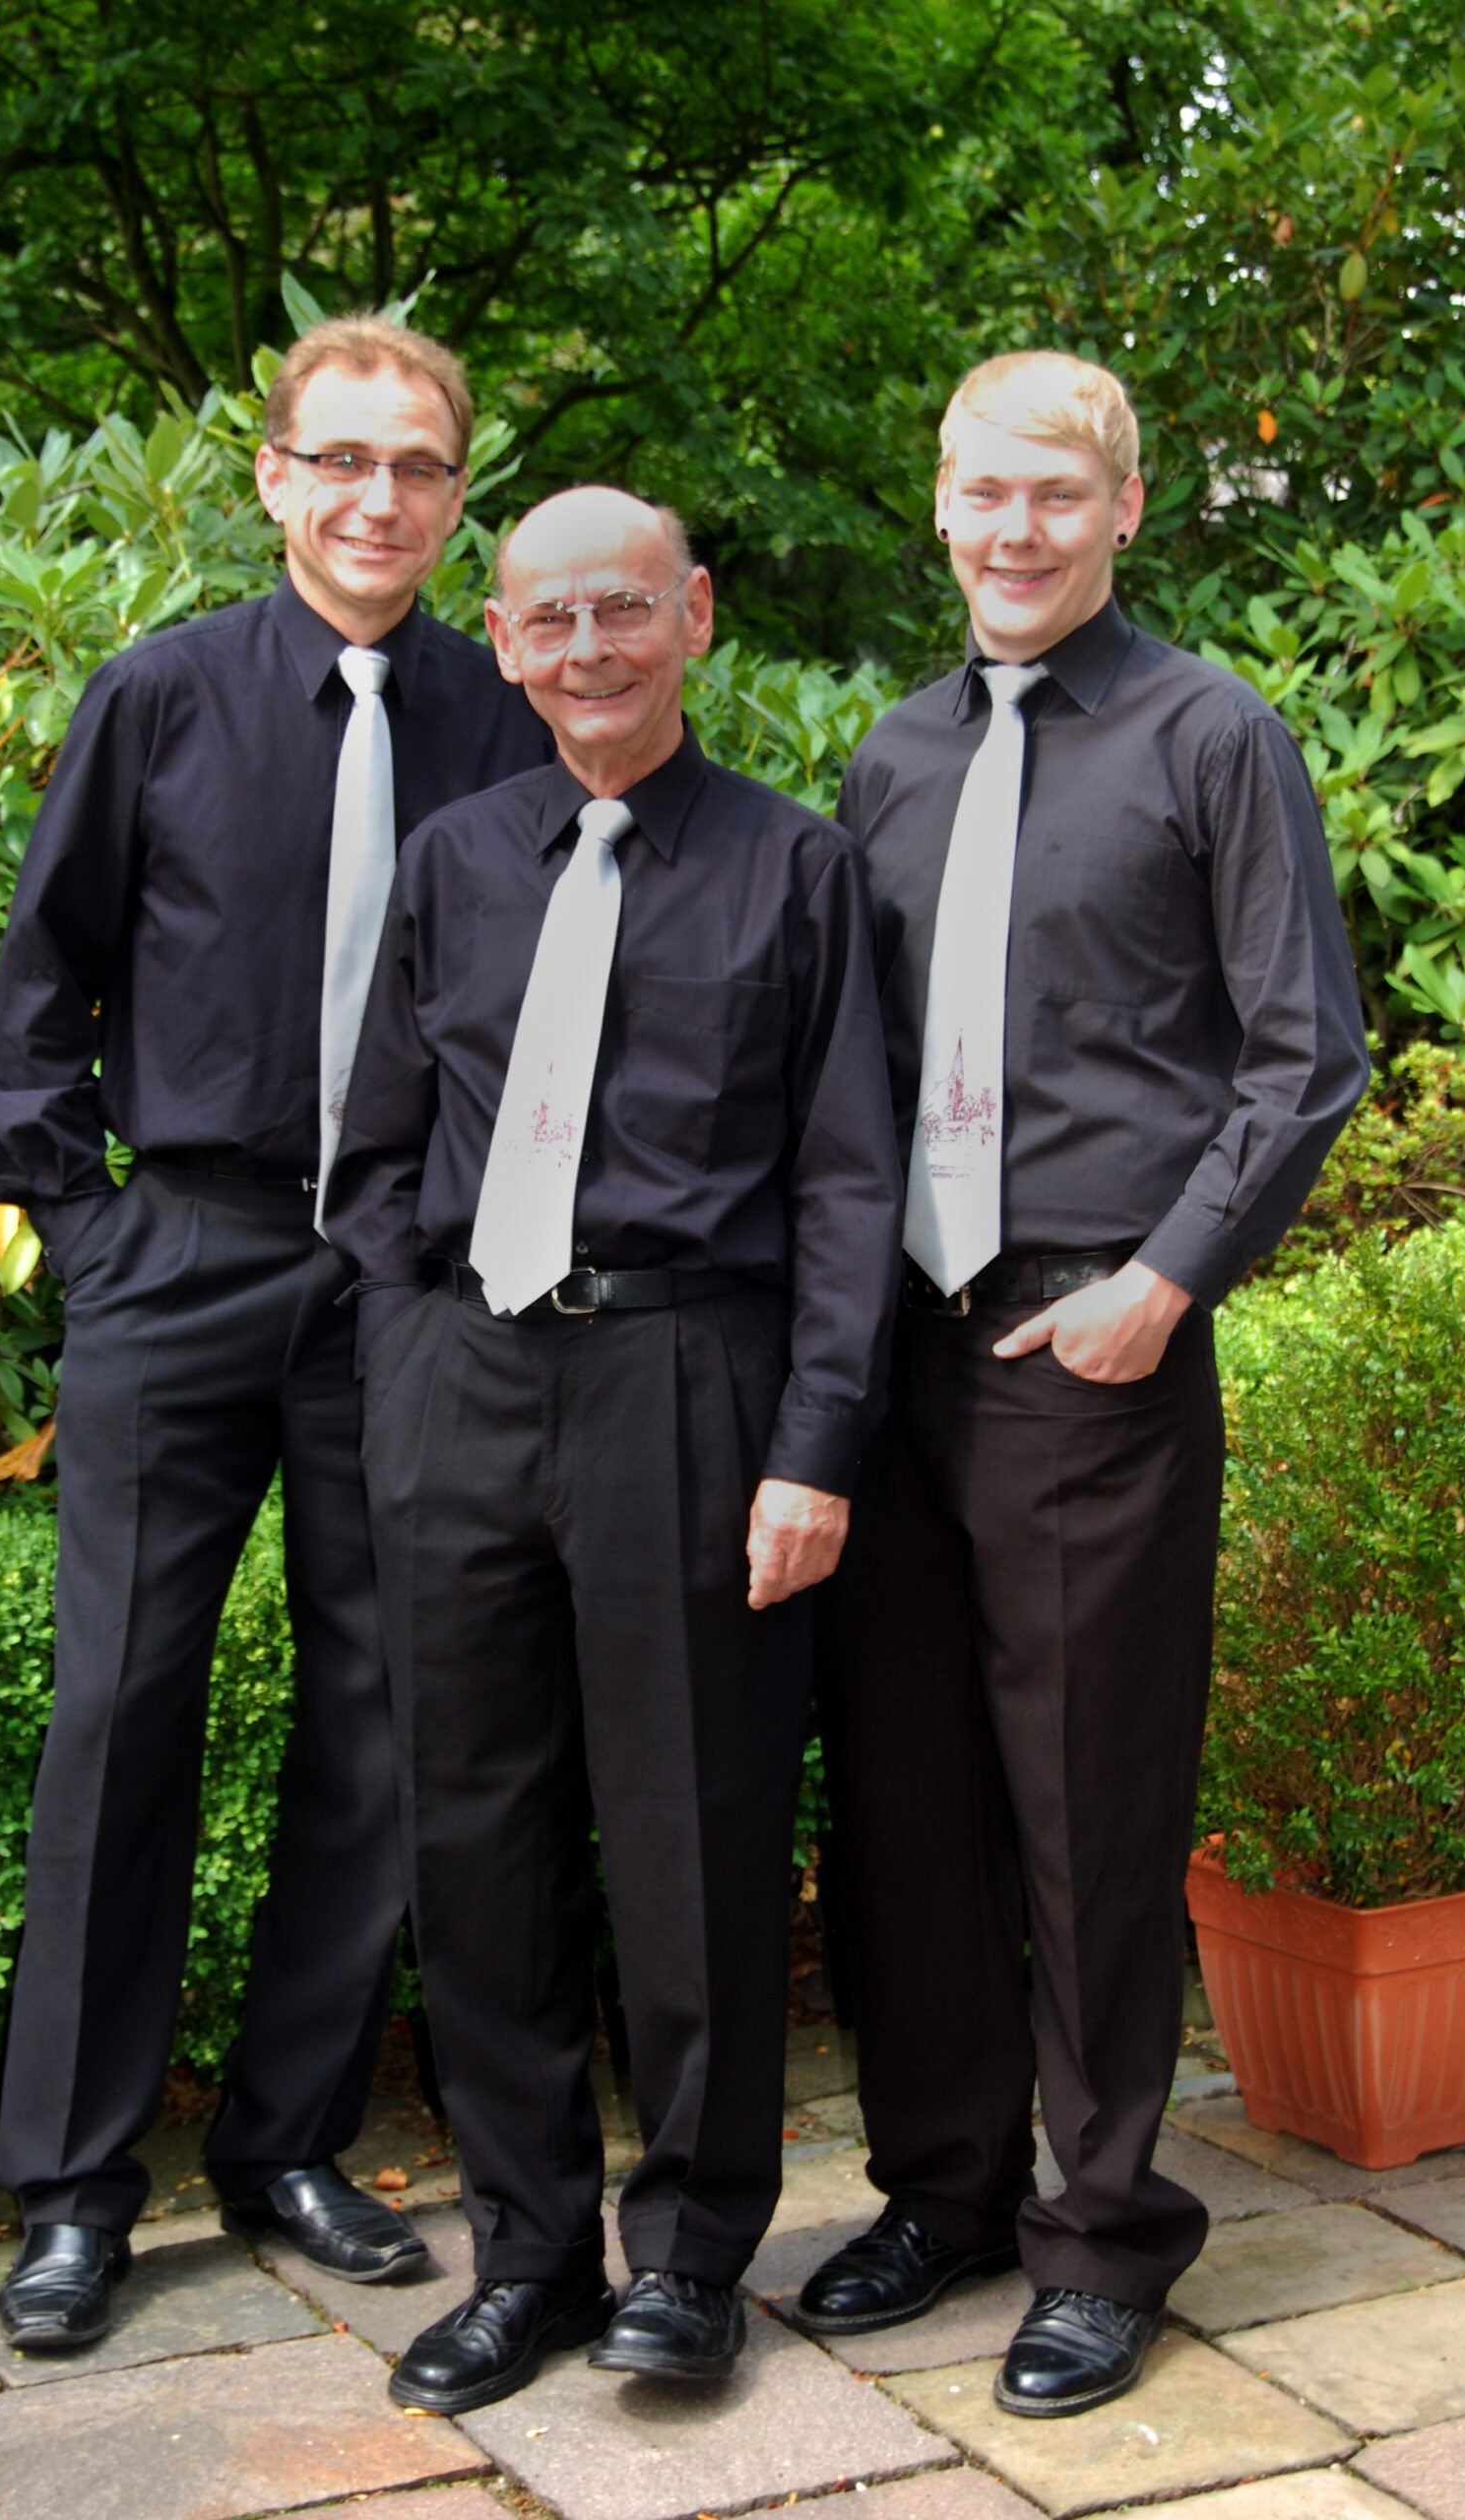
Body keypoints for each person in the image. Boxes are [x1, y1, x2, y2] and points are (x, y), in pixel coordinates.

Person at [0, 314, 552, 2353]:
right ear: (274, 478)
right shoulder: (159, 697)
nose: (379, 497)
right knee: (122, 1706)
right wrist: (91, 1233)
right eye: (344, 460)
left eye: (418, 465)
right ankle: (70, 2188)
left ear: (456, 492)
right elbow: (35, 994)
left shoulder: (505, 718)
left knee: (386, 1711)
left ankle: (290, 2137)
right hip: (187, 1255)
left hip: (402, 1281)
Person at [798, 351, 1368, 2417]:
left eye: (1057, 492)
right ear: (938, 506)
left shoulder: (1210, 737)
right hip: (897, 1356)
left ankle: (1104, 2228)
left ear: (1123, 507)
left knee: (1086, 1812)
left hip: (1087, 1351)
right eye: (983, 492)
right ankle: (943, 2191)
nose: (1015, 530)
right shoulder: (889, 757)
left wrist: (1160, 1283)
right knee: (908, 1812)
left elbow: (1301, 1053)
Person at [321, 484, 902, 2411]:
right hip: (465, 1380)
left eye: (624, 609)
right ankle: (527, 2261)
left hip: (682, 1376)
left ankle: (692, 2256)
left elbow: (846, 1184)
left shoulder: (796, 870)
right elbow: (377, 1148)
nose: (588, 648)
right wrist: (405, 1367)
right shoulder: (451, 862)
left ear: (694, 616)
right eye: (549, 618)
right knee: (474, 1837)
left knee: (692, 1833)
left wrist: (813, 1441)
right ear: (499, 641)